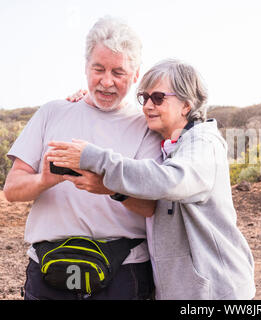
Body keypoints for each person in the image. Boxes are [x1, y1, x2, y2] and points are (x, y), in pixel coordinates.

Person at [47, 59, 256, 300]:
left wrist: (94, 157)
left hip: (215, 292)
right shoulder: (169, 145)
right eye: (143, 98)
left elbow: (170, 181)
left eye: (158, 98)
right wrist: (87, 102)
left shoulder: (203, 144)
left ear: (186, 105)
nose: (147, 106)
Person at [3, 16, 161, 300]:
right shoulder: (52, 112)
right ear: (85, 66)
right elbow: (12, 190)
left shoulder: (147, 127)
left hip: (124, 271)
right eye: (98, 69)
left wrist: (110, 188)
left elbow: (151, 206)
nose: (106, 81)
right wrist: (44, 180)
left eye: (119, 72)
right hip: (47, 267)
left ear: (136, 74)